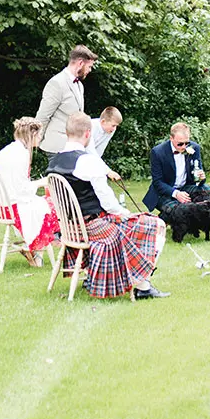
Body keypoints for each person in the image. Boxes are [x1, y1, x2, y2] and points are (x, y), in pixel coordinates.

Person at [48, 113, 169, 299]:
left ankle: (94, 276)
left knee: (133, 222)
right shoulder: (87, 160)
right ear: (88, 134)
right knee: (156, 224)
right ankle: (143, 286)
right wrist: (125, 213)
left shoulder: (54, 161)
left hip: (69, 228)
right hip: (93, 227)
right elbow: (107, 202)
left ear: (67, 132)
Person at [0, 117, 60, 267]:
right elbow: (22, 190)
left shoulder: (8, 150)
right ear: (32, 135)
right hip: (12, 206)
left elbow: (16, 184)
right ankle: (35, 252)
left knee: (45, 204)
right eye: (39, 135)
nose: (40, 138)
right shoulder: (22, 154)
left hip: (0, 204)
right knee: (53, 207)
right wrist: (41, 182)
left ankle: (35, 252)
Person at [35, 45, 98, 155]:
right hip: (56, 148)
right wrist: (34, 140)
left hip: (73, 148)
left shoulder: (80, 85)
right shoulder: (56, 83)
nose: (90, 70)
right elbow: (43, 116)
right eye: (89, 66)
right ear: (80, 63)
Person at [144, 122, 210, 215]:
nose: (184, 147)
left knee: (207, 189)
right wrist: (176, 194)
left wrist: (201, 178)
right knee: (177, 210)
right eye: (180, 144)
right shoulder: (158, 152)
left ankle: (193, 217)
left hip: (185, 187)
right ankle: (165, 217)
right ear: (171, 138)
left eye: (186, 143)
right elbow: (157, 182)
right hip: (165, 191)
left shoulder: (194, 148)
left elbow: (197, 176)